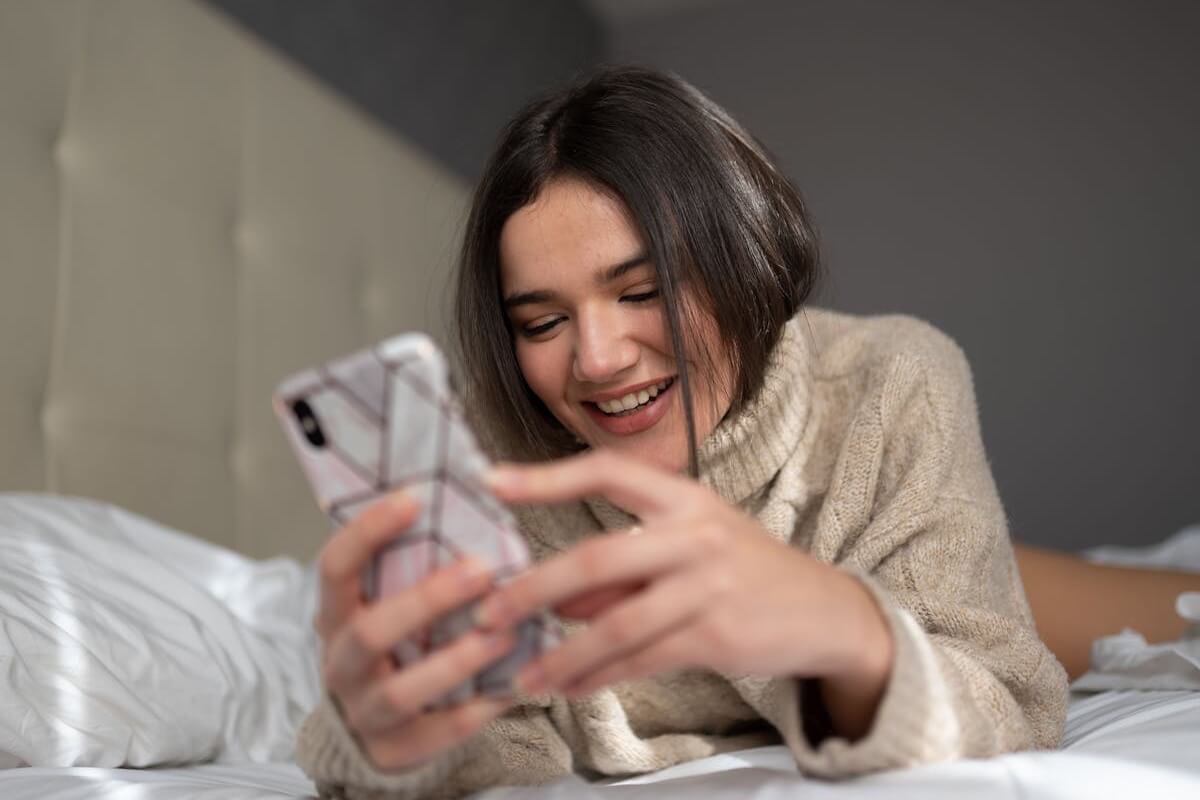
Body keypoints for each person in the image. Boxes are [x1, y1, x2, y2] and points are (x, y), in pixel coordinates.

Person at [294, 66, 1070, 799]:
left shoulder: (893, 383)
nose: (596, 361)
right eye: (543, 321)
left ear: (746, 259)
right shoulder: (493, 458)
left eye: (643, 291)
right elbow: (506, 749)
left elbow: (1009, 707)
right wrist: (391, 746)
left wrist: (844, 627)